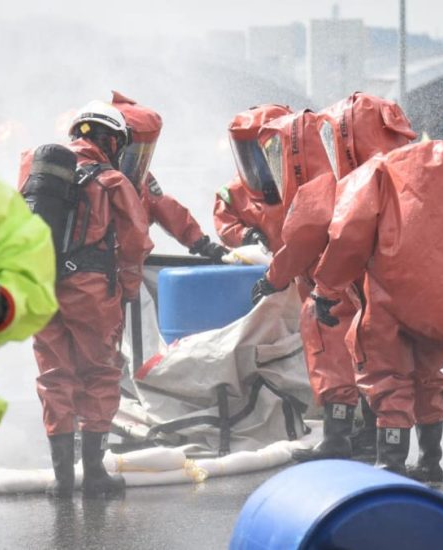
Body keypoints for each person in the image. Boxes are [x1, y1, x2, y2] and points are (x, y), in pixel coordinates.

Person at [310, 135, 443, 480]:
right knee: (428, 377)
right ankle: (430, 462)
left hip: (392, 298)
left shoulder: (380, 172)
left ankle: (391, 464)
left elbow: (349, 235)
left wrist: (325, 288)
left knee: (388, 379)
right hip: (442, 299)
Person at [251, 94, 417, 463]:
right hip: (380, 285)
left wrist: (274, 278)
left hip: (338, 282)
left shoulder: (336, 181)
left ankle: (339, 437)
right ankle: (379, 441)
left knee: (330, 349)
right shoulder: (393, 172)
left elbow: (307, 235)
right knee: (380, 363)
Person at [19, 100, 154, 498]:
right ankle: (94, 474)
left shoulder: (34, 171)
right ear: (110, 140)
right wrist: (128, 289)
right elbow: (135, 243)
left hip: (41, 286)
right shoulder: (112, 181)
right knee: (99, 374)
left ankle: (62, 481)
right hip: (92, 292)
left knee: (54, 378)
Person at [0, 172, 58, 479]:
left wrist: (3, 302)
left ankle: (73, 470)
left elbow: (26, 280)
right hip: (96, 291)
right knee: (86, 375)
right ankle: (79, 469)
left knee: (64, 376)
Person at [111, 92, 227, 261]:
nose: (133, 160)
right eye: (128, 152)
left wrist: (201, 243)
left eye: (139, 152)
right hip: (90, 271)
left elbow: (165, 208)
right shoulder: (83, 177)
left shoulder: (142, 181)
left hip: (127, 270)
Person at [213, 104, 293, 254]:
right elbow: (225, 226)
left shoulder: (308, 182)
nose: (260, 161)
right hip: (261, 270)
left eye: (268, 148)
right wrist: (246, 236)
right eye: (250, 151)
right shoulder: (231, 194)